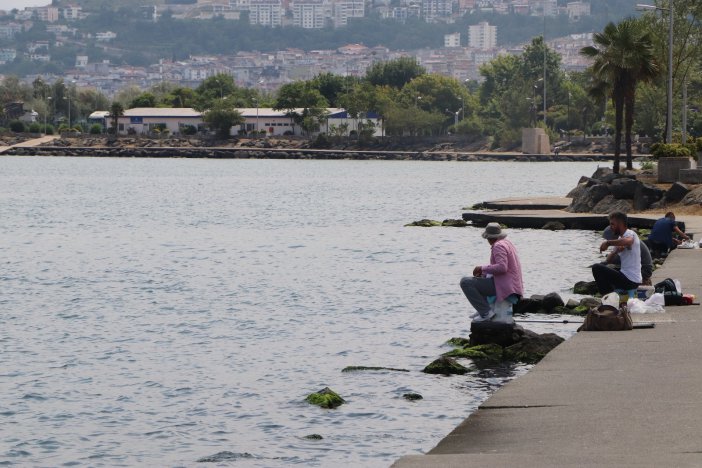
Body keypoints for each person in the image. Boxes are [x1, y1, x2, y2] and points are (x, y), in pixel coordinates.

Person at [460, 223, 524, 322]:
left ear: (489, 237)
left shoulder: (498, 246)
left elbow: (502, 267)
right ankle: (483, 308)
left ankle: (485, 312)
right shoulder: (506, 243)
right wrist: (484, 272)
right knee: (481, 278)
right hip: (512, 286)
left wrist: (482, 268)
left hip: (505, 286)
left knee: (465, 282)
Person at [592, 212, 642, 295]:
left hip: (631, 280)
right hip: (625, 276)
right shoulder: (620, 238)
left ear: (620, 224)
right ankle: (610, 295)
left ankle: (607, 296)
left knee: (596, 267)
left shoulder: (630, 233)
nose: (610, 227)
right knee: (603, 267)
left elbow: (628, 241)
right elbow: (608, 260)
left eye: (612, 224)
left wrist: (608, 243)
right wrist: (616, 251)